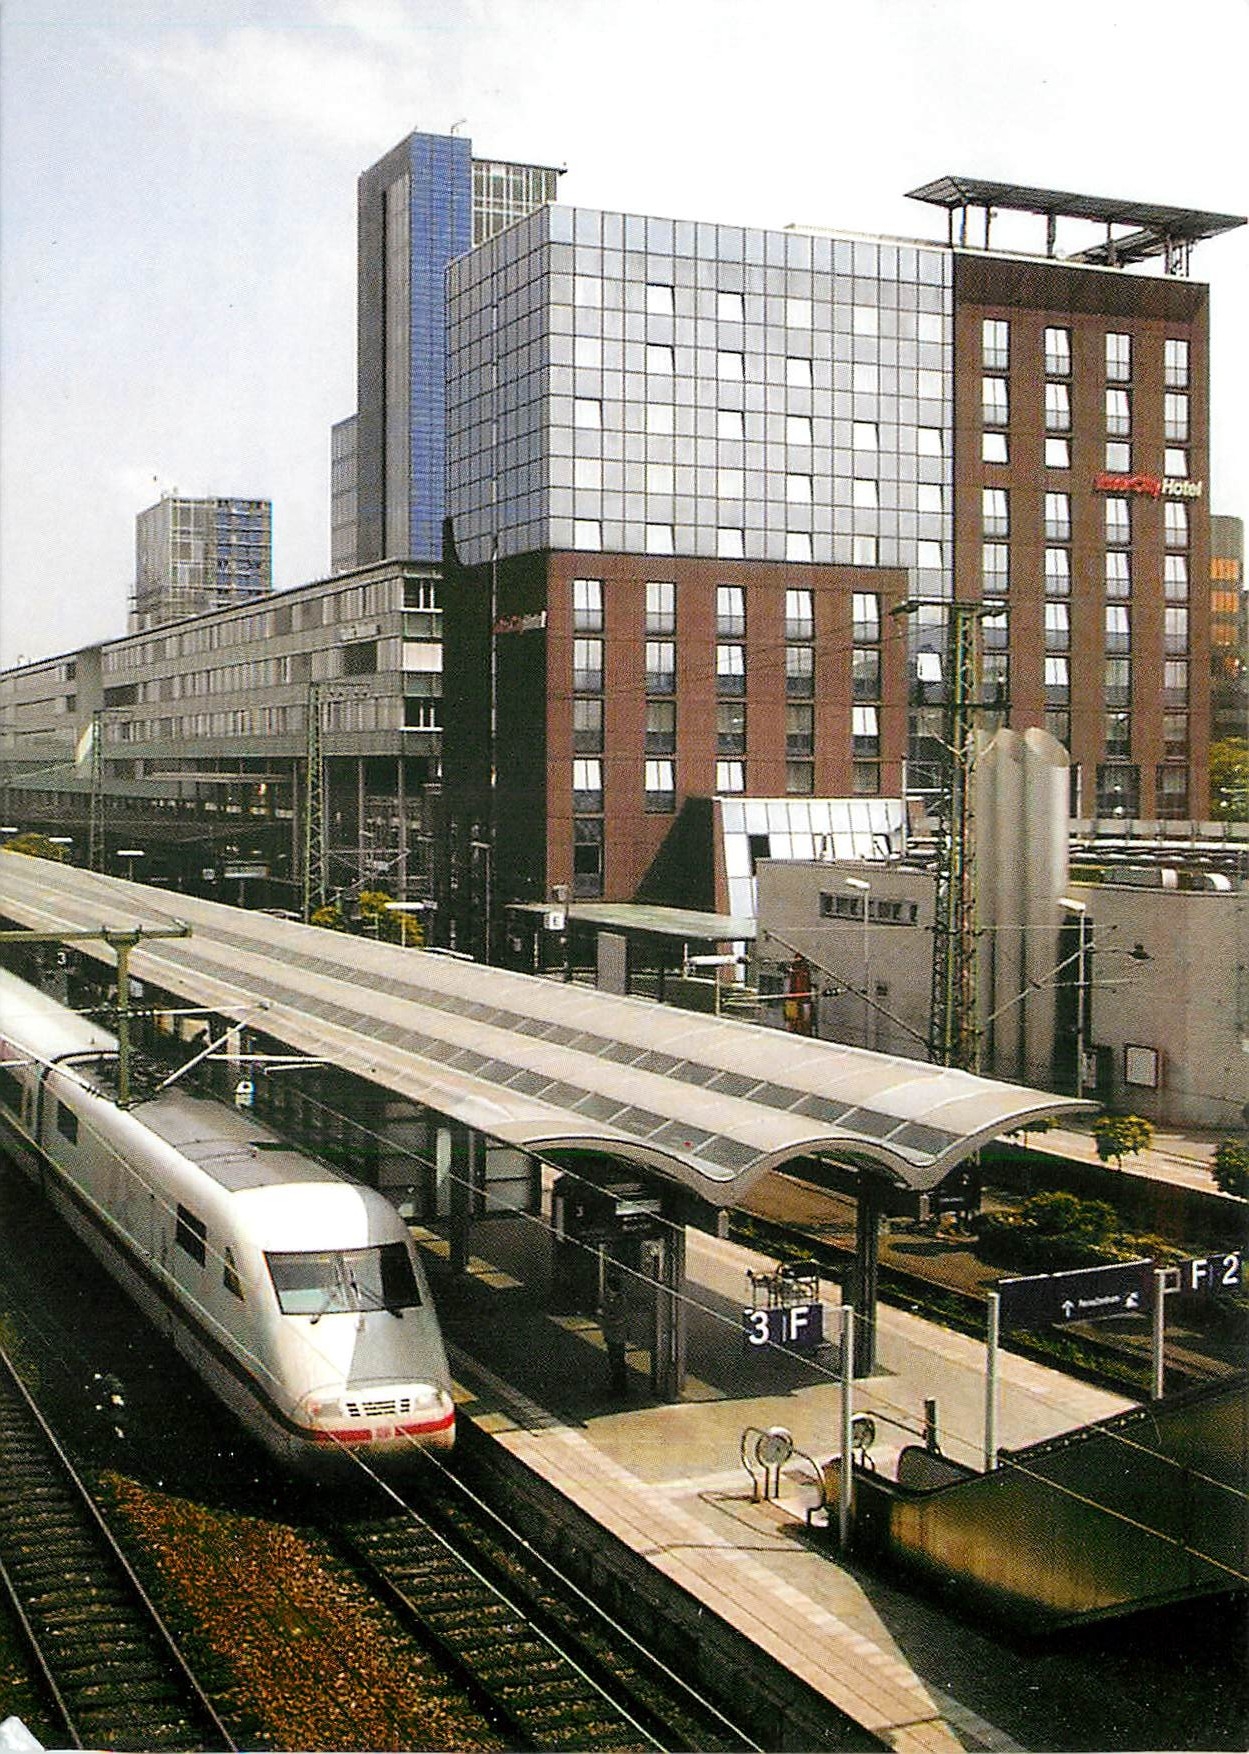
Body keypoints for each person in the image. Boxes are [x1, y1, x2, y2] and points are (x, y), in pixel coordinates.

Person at [599, 1277, 630, 1397]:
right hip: (613, 1335)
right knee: (614, 1361)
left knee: (617, 1362)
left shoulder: (620, 1300)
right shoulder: (612, 1299)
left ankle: (619, 1389)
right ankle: (617, 1387)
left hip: (617, 1335)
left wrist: (606, 1318)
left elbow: (620, 1317)